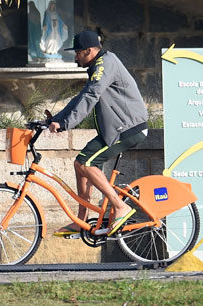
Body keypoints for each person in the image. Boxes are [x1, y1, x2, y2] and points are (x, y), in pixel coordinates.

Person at [49, 30, 148, 237]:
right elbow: (81, 97)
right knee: (80, 164)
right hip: (116, 129)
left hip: (128, 128)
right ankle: (82, 219)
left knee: (86, 163)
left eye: (78, 52)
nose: (75, 56)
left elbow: (92, 95)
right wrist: (55, 120)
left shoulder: (105, 64)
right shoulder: (97, 66)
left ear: (90, 51)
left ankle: (120, 206)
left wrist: (66, 124)